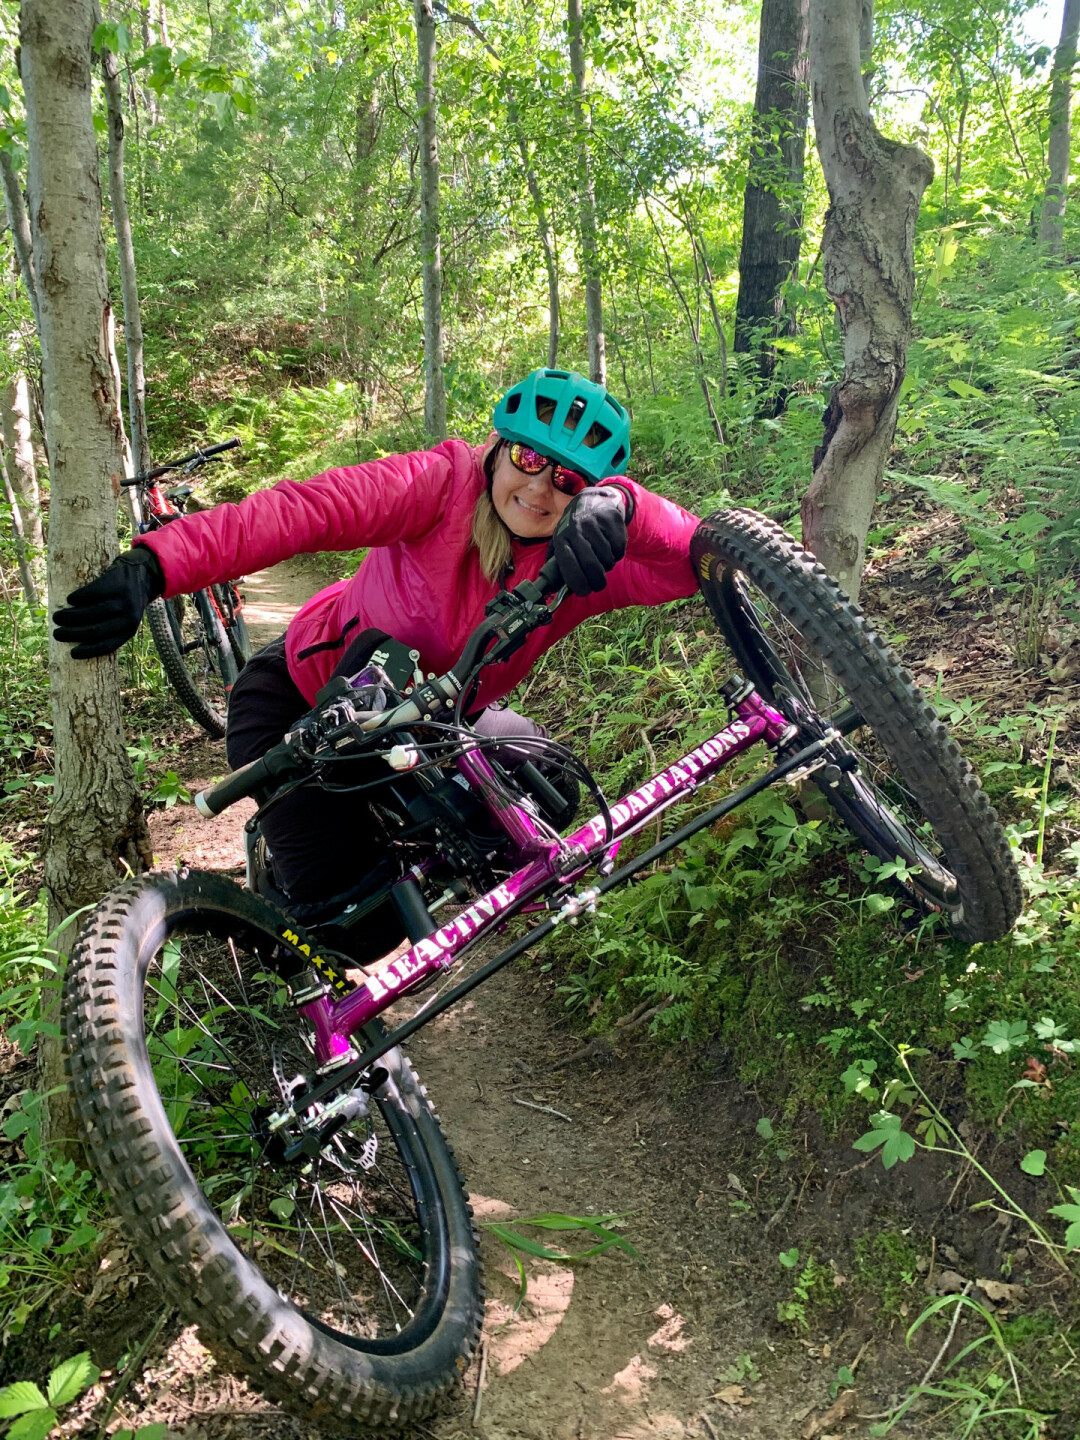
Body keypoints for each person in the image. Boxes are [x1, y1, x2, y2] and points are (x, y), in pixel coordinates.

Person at [53, 367, 701, 921]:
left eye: (567, 480)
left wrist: (626, 506)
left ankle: (436, 874)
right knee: (351, 918)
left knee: (546, 781)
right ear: (499, 450)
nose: (538, 489)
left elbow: (691, 560)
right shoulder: (441, 484)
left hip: (436, 720)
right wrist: (157, 565)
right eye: (530, 460)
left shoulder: (580, 559)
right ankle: (288, 909)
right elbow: (301, 512)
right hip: (298, 702)